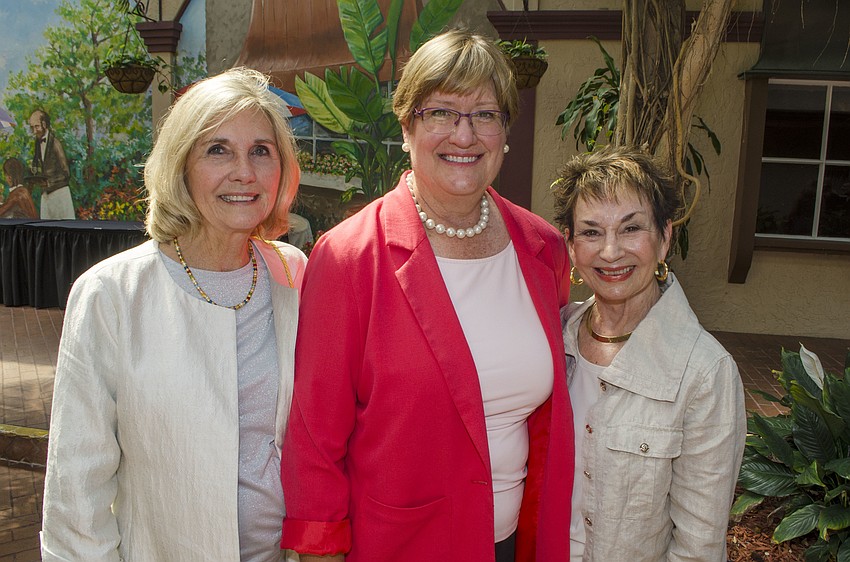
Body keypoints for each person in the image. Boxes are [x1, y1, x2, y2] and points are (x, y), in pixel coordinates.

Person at [281, 29, 572, 562]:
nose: (464, 135)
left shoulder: (543, 250)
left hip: (514, 543)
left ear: (505, 131)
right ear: (407, 124)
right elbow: (313, 435)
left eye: (485, 114)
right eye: (440, 111)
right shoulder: (349, 258)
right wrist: (320, 548)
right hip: (401, 544)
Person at [41, 68, 307, 562]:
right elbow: (76, 496)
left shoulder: (293, 275)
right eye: (217, 149)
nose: (244, 172)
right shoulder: (111, 295)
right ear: (181, 165)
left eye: (261, 151)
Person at [551, 145, 746, 560]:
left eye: (631, 228)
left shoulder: (704, 374)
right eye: (590, 231)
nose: (610, 251)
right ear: (570, 246)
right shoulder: (551, 339)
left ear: (664, 238)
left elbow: (699, 546)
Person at [28, 109, 75, 219]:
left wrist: (49, 183)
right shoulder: (37, 142)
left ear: (44, 124)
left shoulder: (55, 143)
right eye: (32, 127)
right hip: (46, 195)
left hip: (60, 194)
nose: (34, 131)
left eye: (36, 126)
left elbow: (66, 173)